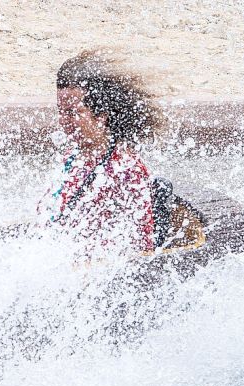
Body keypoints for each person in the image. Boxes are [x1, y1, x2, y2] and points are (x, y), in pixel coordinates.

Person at [38, 50, 162, 254]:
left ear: (101, 116)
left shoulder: (126, 169)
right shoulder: (73, 157)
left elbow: (142, 244)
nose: (63, 121)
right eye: (61, 112)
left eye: (72, 113)